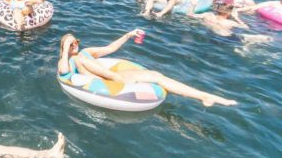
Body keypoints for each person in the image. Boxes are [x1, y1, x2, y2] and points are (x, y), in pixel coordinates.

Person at [58, 33, 237, 107]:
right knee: (156, 78)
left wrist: (128, 35)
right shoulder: (70, 60)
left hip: (116, 77)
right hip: (108, 82)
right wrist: (66, 49)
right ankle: (205, 96)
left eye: (76, 42)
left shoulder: (86, 52)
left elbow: (111, 48)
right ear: (65, 47)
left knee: (157, 76)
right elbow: (64, 73)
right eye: (71, 43)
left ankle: (205, 96)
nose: (75, 45)